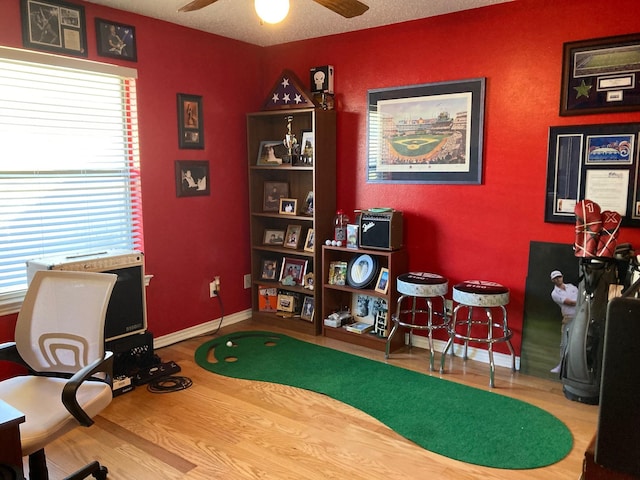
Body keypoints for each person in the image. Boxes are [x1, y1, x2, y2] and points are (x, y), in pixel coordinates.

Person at [550, 270, 578, 374]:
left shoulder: (571, 287)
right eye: (556, 278)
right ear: (553, 280)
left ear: (562, 277)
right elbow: (569, 302)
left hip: (579, 315)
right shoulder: (555, 293)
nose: (558, 279)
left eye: (559, 277)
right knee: (564, 344)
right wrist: (580, 301)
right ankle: (562, 366)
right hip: (568, 317)